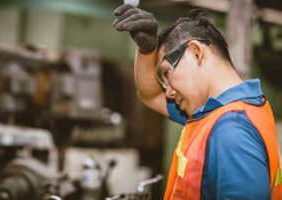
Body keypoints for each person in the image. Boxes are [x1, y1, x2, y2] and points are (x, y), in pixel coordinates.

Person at [113, 4, 282, 200]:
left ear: (195, 52)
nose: (167, 92)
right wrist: (146, 50)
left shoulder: (231, 130)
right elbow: (150, 95)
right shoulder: (212, 114)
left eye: (167, 73)